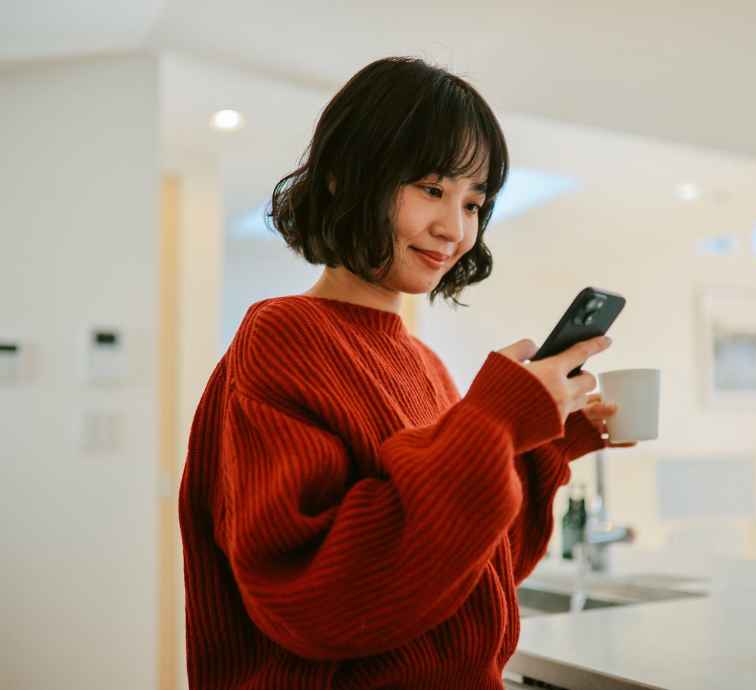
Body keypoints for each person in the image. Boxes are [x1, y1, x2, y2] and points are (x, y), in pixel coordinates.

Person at [178, 56, 630, 690]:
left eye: (475, 202)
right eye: (431, 189)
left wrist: (541, 443)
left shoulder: (422, 362)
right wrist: (494, 421)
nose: (455, 229)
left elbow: (468, 573)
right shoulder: (283, 336)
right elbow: (314, 599)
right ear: (343, 178)